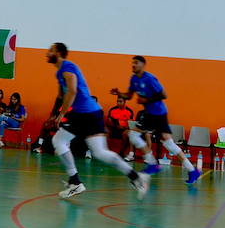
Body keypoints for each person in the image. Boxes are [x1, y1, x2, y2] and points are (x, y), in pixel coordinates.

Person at [48, 43, 149, 199]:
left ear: (59, 53)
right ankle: (135, 176)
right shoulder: (60, 73)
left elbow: (73, 90)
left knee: (59, 141)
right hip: (91, 113)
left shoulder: (67, 68)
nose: (47, 53)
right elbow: (61, 95)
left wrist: (61, 114)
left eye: (51, 50)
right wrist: (53, 114)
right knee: (99, 152)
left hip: (84, 114)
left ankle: (75, 182)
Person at [109, 55, 199, 184]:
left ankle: (153, 164)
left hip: (158, 113)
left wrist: (146, 100)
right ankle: (191, 170)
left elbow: (163, 95)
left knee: (137, 136)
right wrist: (119, 93)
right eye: (132, 63)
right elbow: (129, 96)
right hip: (149, 113)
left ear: (143, 65)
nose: (133, 65)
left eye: (136, 63)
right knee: (162, 142)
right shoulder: (134, 79)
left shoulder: (150, 79)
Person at [106, 94, 134, 158]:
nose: (118, 103)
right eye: (117, 101)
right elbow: (109, 121)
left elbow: (131, 123)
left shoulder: (129, 111)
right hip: (114, 128)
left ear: (124, 102)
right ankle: (107, 151)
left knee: (126, 134)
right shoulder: (112, 110)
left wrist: (125, 127)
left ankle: (121, 152)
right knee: (106, 131)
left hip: (124, 129)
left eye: (120, 101)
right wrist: (115, 125)